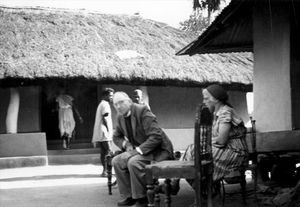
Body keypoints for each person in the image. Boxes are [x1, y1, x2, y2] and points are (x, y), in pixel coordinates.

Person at [179, 84, 249, 205]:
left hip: (235, 152)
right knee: (194, 156)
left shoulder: (225, 112)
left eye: (206, 98)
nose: (203, 101)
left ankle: (205, 195)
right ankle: (206, 194)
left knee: (198, 159)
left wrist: (203, 143)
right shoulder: (216, 114)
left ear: (216, 99)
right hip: (223, 149)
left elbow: (221, 140)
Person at [112, 91, 174, 207]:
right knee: (116, 160)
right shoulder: (120, 117)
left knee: (133, 162)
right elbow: (116, 136)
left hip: (159, 150)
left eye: (121, 102)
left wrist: (135, 152)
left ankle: (141, 198)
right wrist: (126, 144)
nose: (118, 106)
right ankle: (129, 196)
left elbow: (156, 137)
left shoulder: (143, 111)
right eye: (115, 104)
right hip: (143, 151)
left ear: (129, 102)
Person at [92, 87, 115, 177]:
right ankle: (108, 171)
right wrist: (109, 131)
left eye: (112, 96)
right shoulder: (105, 104)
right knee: (109, 151)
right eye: (110, 96)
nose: (111, 97)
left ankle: (104, 171)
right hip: (104, 132)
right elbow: (105, 118)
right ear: (105, 96)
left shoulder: (101, 104)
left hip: (100, 131)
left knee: (103, 152)